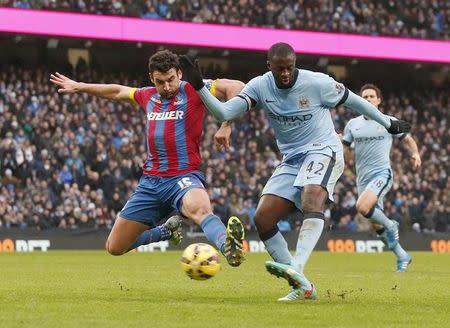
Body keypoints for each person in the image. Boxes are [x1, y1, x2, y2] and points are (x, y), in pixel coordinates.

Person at [180, 42, 411, 301]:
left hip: (324, 148)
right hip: (291, 158)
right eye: (280, 69)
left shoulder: (317, 83)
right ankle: (302, 286)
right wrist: (199, 85)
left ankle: (296, 268)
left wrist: (388, 122)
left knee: (312, 197)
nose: (286, 73)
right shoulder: (259, 86)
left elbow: (355, 102)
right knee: (263, 218)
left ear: (295, 63)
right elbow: (224, 111)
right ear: (269, 66)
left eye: (290, 67)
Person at [50, 50, 246, 267]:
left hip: (183, 177)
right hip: (150, 183)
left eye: (171, 79)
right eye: (161, 82)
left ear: (180, 74)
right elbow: (117, 91)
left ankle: (227, 246)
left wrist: (226, 123)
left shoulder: (195, 88)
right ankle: (165, 231)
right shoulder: (147, 95)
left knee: (199, 208)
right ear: (152, 78)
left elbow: (237, 86)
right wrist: (79, 86)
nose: (167, 86)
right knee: (115, 247)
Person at [342, 83, 421, 272]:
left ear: (378, 100)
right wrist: (341, 148)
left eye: (371, 97)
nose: (368, 99)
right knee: (376, 225)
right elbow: (346, 150)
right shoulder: (352, 125)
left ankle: (391, 224)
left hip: (381, 173)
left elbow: (407, 139)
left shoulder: (388, 121)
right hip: (362, 178)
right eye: (365, 97)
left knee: (362, 207)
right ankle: (402, 256)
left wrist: (416, 153)